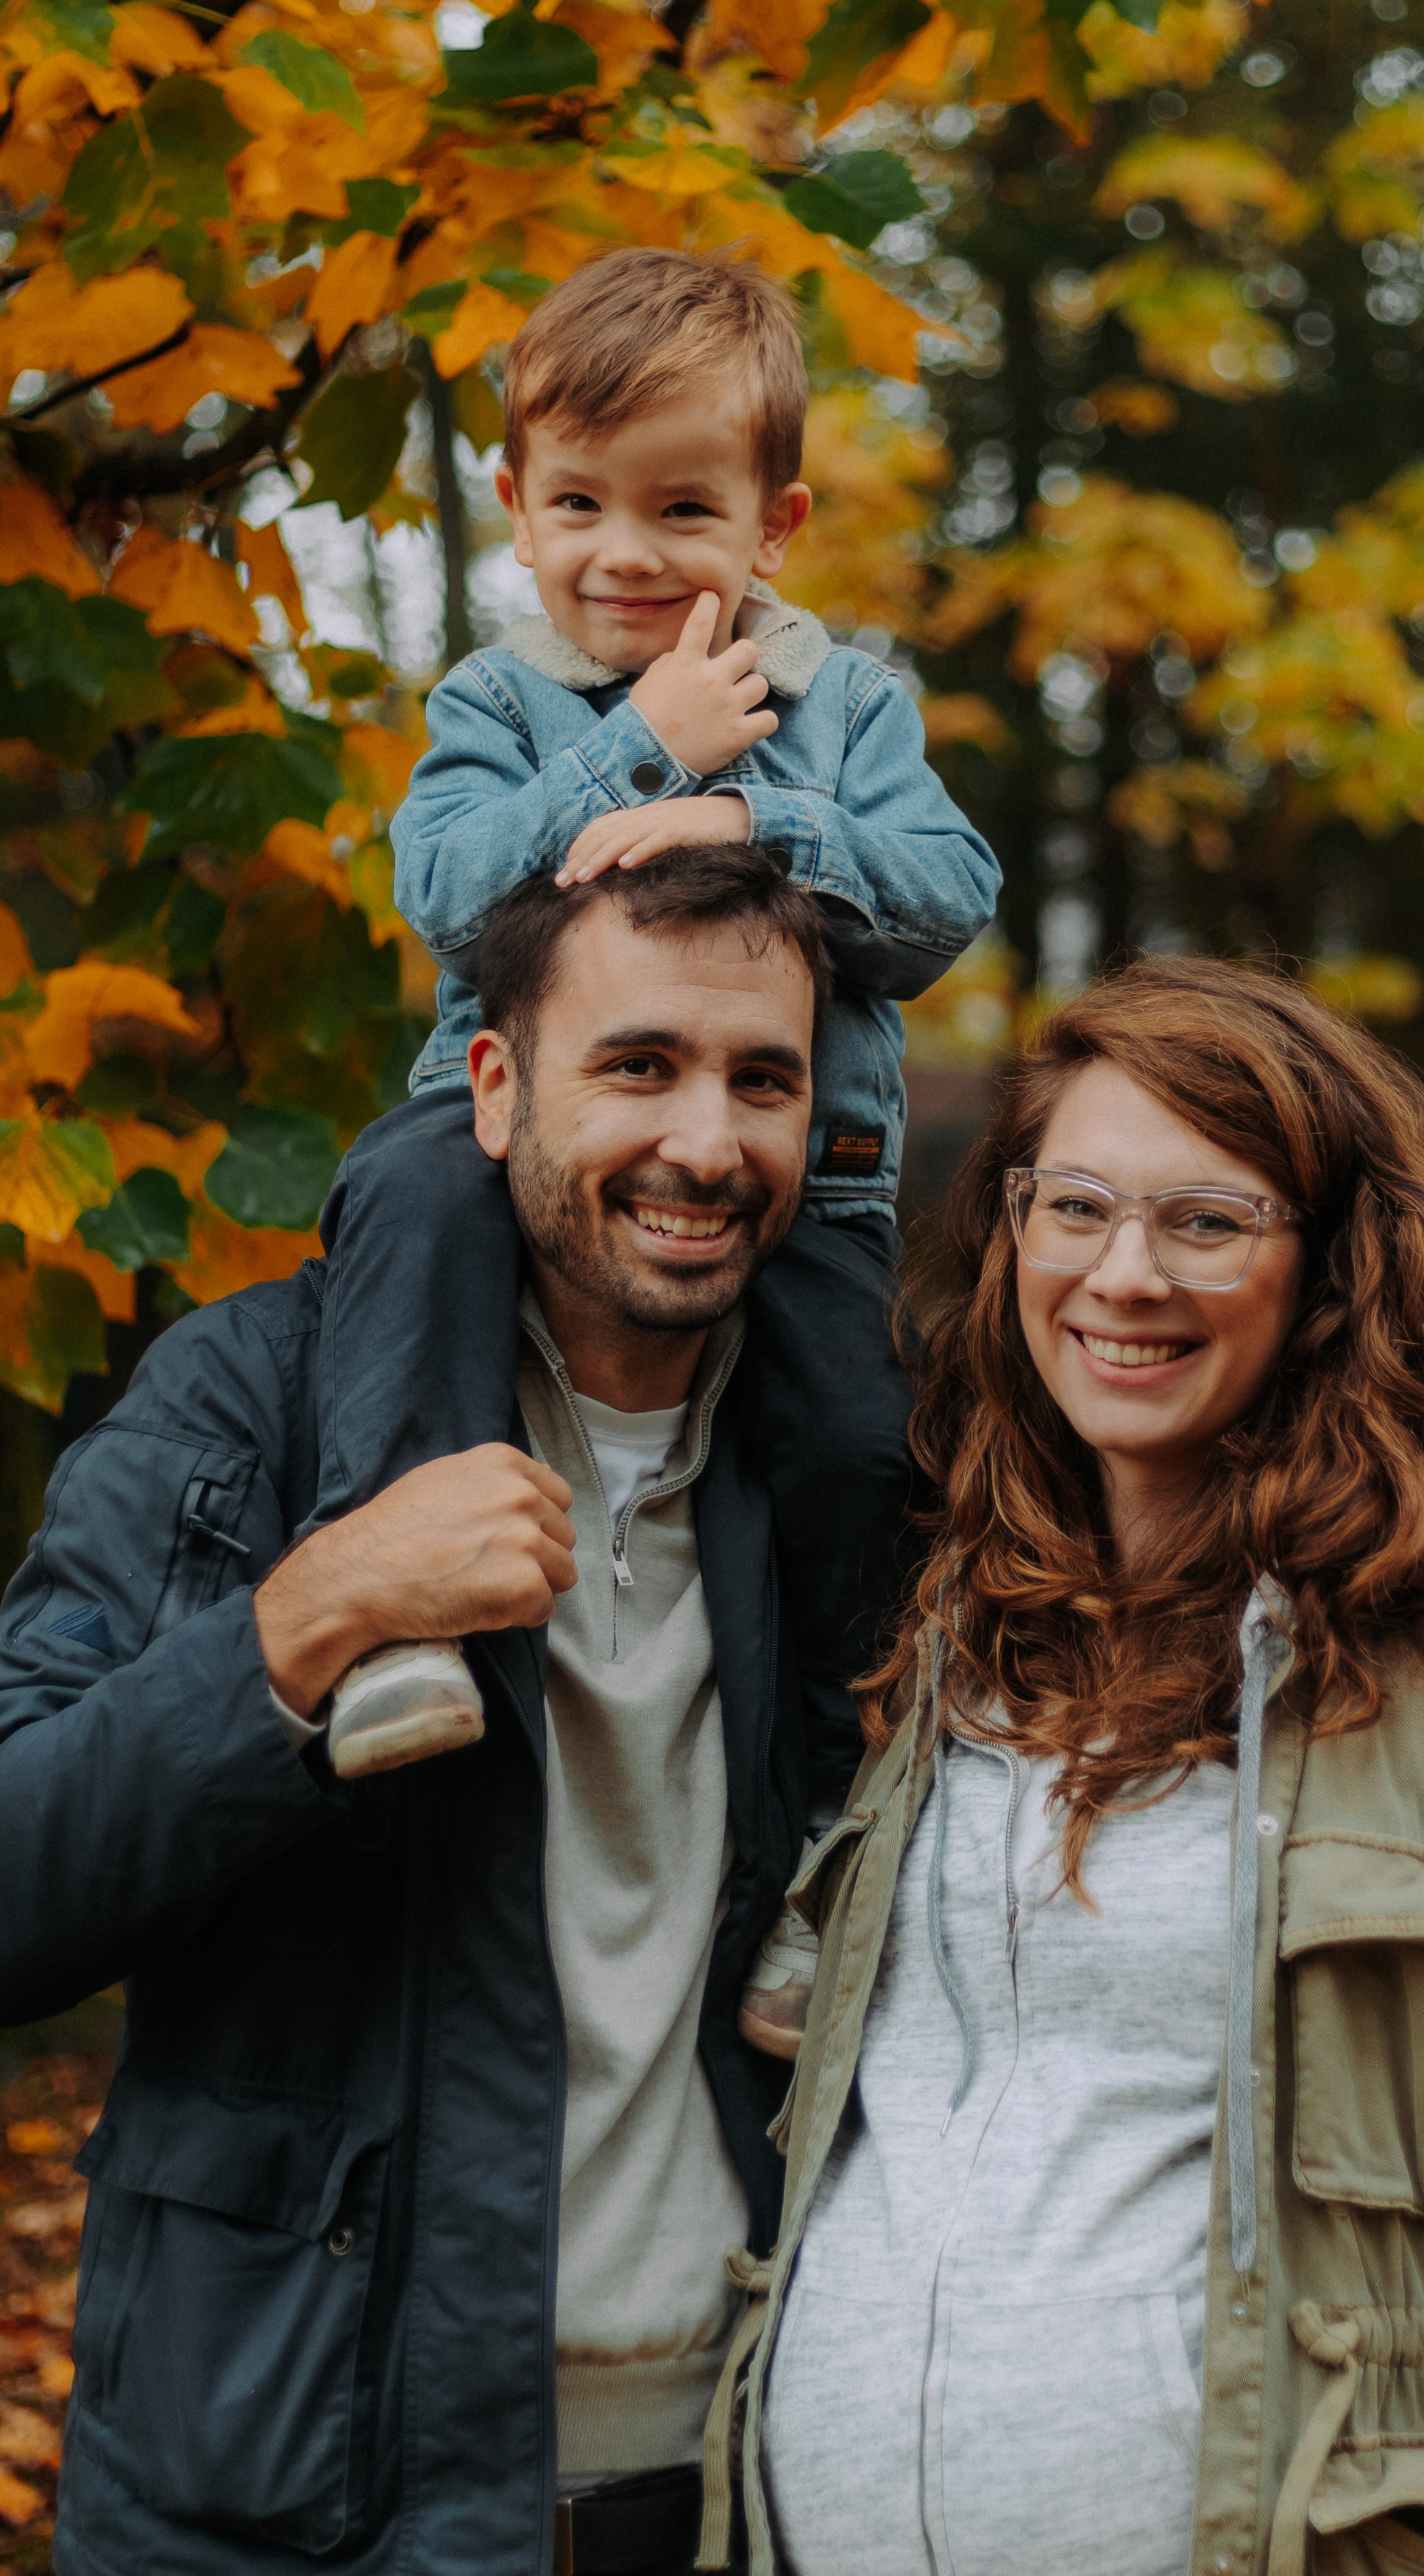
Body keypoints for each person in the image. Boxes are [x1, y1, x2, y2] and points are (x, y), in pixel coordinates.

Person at [703, 956, 1424, 2576]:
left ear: (1333, 1268)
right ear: (1014, 1224)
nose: (1124, 1275)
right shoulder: (957, 1618)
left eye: (1208, 1220)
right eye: (1078, 1204)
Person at [0, 848, 844, 2576]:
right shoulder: (257, 1401)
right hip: (289, 2501)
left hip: (741, 2488)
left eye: (763, 1079)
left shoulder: (861, 1460)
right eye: (639, 1065)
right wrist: (303, 1625)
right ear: (492, 1086)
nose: (706, 1141)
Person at [313, 248, 1000, 2062]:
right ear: (522, 515)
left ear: (769, 521)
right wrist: (634, 757)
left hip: (810, 1176)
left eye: (682, 507)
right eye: (578, 505)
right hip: (499, 1147)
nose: (627, 552)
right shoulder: (496, 702)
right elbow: (454, 895)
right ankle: (394, 1625)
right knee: (390, 1241)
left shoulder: (842, 703)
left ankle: (836, 1853)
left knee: (858, 1450)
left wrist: (760, 811)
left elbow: (949, 903)